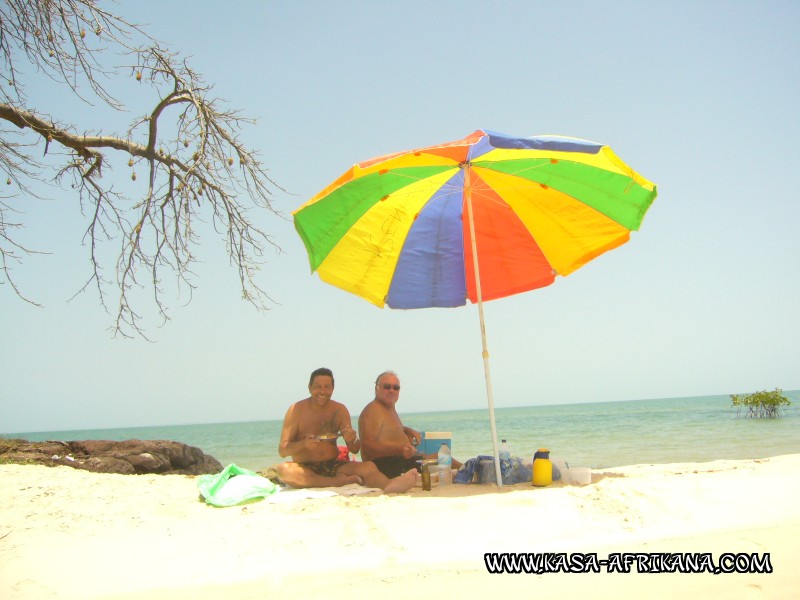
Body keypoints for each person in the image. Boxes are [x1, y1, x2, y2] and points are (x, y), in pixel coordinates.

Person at [276, 367, 416, 493]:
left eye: (327, 387)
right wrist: (303, 444)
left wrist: (351, 439)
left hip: (333, 464)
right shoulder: (296, 410)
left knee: (368, 467)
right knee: (284, 471)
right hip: (304, 466)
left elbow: (355, 449)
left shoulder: (339, 410)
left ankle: (389, 485)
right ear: (309, 387)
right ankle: (339, 481)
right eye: (318, 387)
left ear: (333, 388)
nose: (322, 391)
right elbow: (283, 450)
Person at [358, 370, 461, 478]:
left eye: (396, 387)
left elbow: (387, 430)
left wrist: (405, 429)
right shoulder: (373, 410)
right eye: (387, 386)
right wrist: (400, 450)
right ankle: (469, 469)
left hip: (398, 463)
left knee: (443, 457)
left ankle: (467, 469)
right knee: (444, 460)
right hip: (387, 466)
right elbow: (367, 446)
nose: (392, 390)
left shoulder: (388, 409)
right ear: (376, 389)